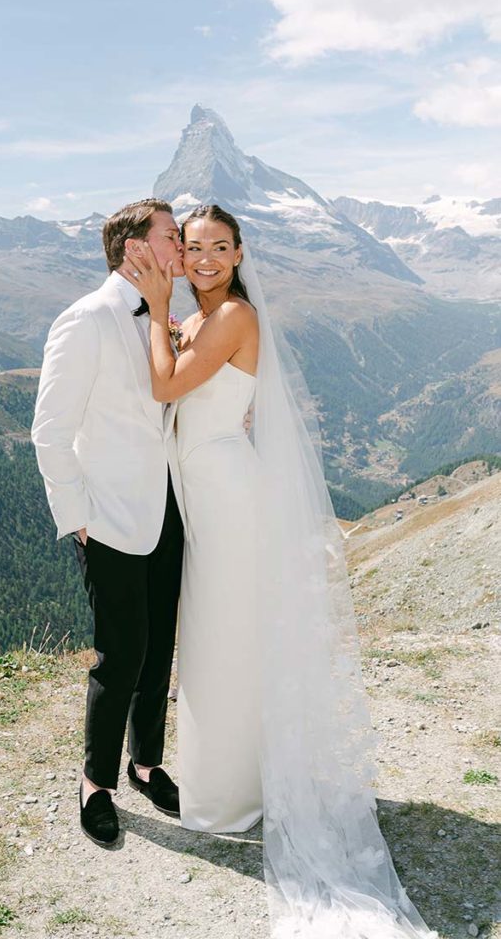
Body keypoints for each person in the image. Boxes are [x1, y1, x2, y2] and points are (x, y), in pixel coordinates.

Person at [120, 204, 437, 939]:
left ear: (238, 254)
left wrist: (157, 311)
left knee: (220, 640)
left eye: (218, 248)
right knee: (216, 641)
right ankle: (234, 782)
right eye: (192, 247)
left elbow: (167, 391)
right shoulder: (201, 319)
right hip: (205, 490)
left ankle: (228, 797)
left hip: (227, 496)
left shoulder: (227, 315)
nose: (203, 258)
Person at [31, 198, 186, 848]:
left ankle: (145, 762)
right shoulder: (85, 320)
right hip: (109, 520)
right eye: (171, 237)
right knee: (119, 656)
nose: (181, 247)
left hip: (167, 509)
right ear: (135, 248)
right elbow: (48, 432)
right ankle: (95, 782)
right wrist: (78, 520)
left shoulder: (161, 319)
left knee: (158, 652)